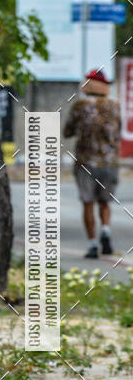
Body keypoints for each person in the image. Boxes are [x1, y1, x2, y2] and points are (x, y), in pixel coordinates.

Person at [64, 68, 121, 258]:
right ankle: (106, 230)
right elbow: (117, 132)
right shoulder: (115, 106)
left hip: (85, 163)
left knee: (88, 203)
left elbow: (67, 131)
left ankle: (93, 245)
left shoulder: (80, 106)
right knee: (105, 202)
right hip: (109, 163)